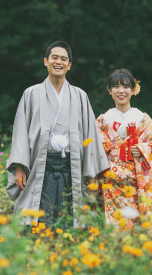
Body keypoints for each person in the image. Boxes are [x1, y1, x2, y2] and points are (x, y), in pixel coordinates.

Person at [6, 41, 110, 227]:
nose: (58, 62)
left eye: (64, 59)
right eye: (54, 57)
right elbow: (21, 131)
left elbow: (89, 134)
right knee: (41, 217)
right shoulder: (31, 93)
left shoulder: (80, 96)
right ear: (45, 61)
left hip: (71, 166)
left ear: (69, 65)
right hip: (40, 165)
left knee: (68, 217)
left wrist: (91, 169)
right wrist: (20, 166)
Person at [96, 69, 152, 229]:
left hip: (137, 184)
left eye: (126, 86)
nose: (121, 91)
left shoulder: (143, 119)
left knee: (137, 228)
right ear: (109, 90)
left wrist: (142, 149)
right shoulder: (103, 120)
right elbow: (94, 149)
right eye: (116, 86)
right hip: (111, 184)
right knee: (114, 226)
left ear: (133, 90)